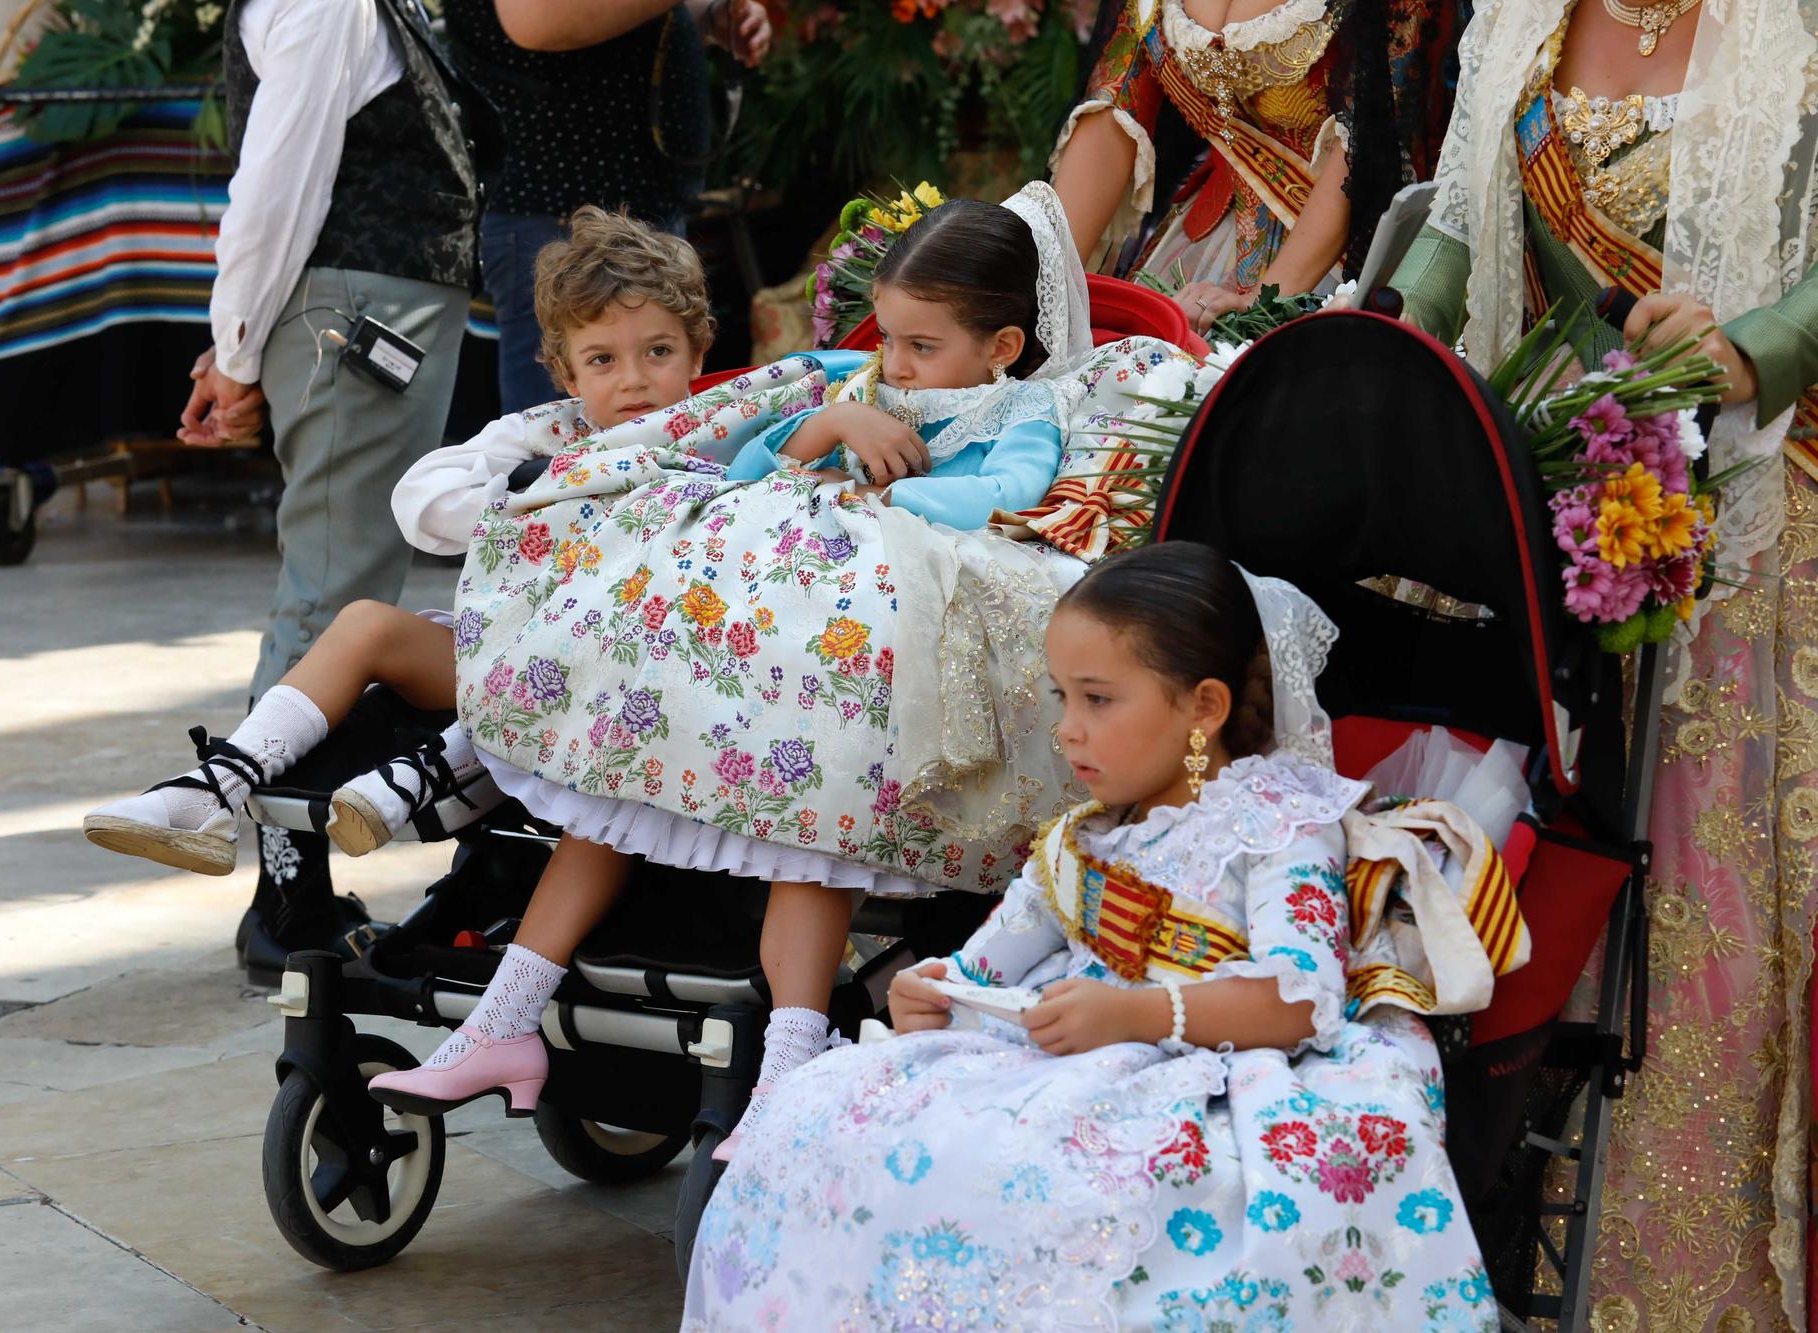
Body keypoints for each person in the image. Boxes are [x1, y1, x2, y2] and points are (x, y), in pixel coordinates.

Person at [360, 184, 1096, 1150]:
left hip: (854, 662)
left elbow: (1001, 498)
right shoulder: (863, 384)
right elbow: (740, 470)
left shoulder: (1026, 410)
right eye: (891, 338)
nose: (898, 362)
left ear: (1000, 347)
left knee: (815, 830)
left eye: (924, 345)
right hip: (763, 642)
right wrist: (831, 426)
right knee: (620, 777)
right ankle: (501, 1020)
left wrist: (897, 484)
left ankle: (785, 1069)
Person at [677, 541, 1500, 1329]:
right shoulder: (1078, 842)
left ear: (1203, 709)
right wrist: (930, 985)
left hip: (1220, 1059)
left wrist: (1138, 1015)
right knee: (826, 1103)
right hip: (1077, 1049)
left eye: (1097, 699)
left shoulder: (1277, 822)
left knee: (1040, 1170)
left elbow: (1298, 1000)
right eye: (1062, 696)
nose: (1068, 728)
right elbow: (984, 960)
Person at [1387, 1, 1818, 1322]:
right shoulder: (1513, 25)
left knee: (1710, 937)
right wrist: (1378, 370)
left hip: (1749, 527)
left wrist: (1753, 350)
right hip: (1549, 517)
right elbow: (1456, 241)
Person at [84, 209, 713, 874]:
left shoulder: (727, 439)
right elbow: (420, 500)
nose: (634, 379)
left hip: (636, 683)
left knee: (573, 641)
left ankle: (424, 776)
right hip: (504, 660)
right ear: (565, 374)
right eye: (602, 360)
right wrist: (538, 495)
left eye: (659, 351)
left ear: (698, 353)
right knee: (364, 623)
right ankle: (212, 790)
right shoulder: (548, 435)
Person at [167, 0, 483, 976]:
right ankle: (287, 896)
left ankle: (291, 887)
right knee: (329, 598)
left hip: (372, 302)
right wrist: (235, 349)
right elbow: (277, 183)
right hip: (357, 308)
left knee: (344, 587)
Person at [1049, 0, 1461, 332]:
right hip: (1202, 242)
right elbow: (1115, 107)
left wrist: (1264, 305)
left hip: (1339, 255)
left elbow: (1374, 136)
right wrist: (1041, 284)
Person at [446, 0, 772, 413]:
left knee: (659, 417)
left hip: (636, 194)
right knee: (556, 433)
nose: (632, 380)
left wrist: (705, 15)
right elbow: (535, 19)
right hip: (554, 199)